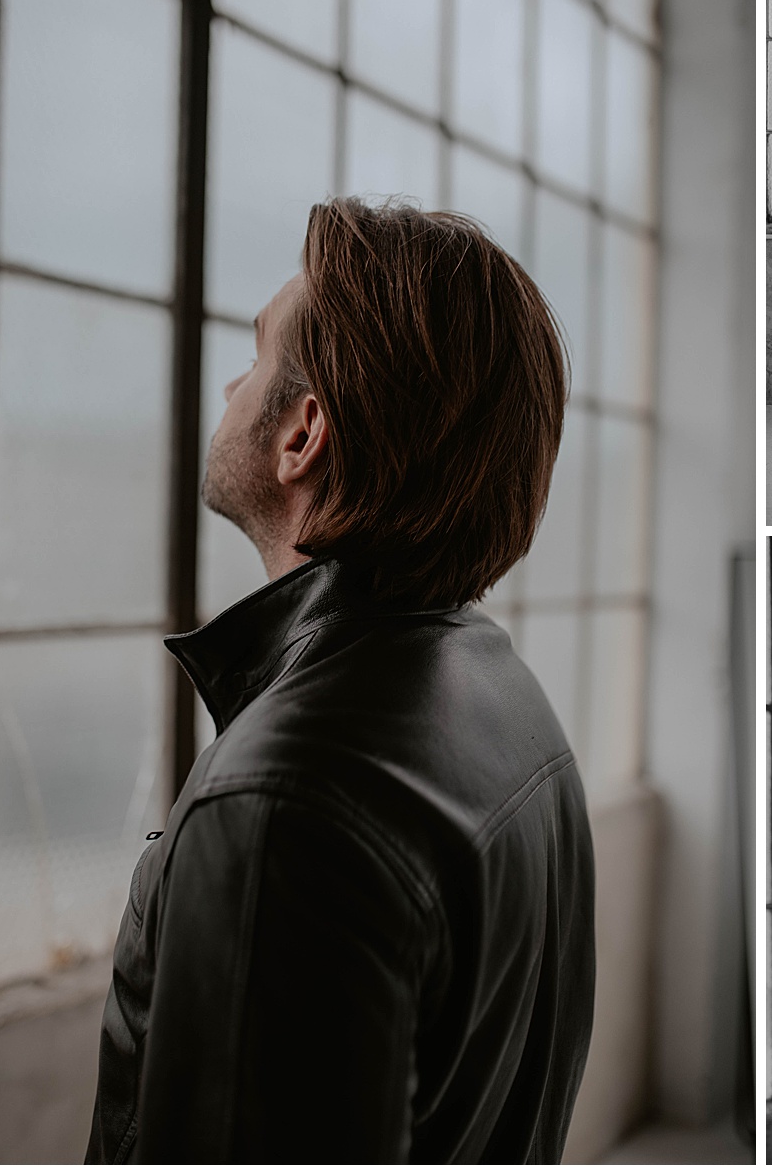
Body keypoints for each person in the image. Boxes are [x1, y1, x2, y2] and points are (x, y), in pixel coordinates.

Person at [86, 199, 596, 1162]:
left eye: (259, 354)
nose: (235, 382)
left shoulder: (282, 801)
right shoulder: (502, 689)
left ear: (302, 432)